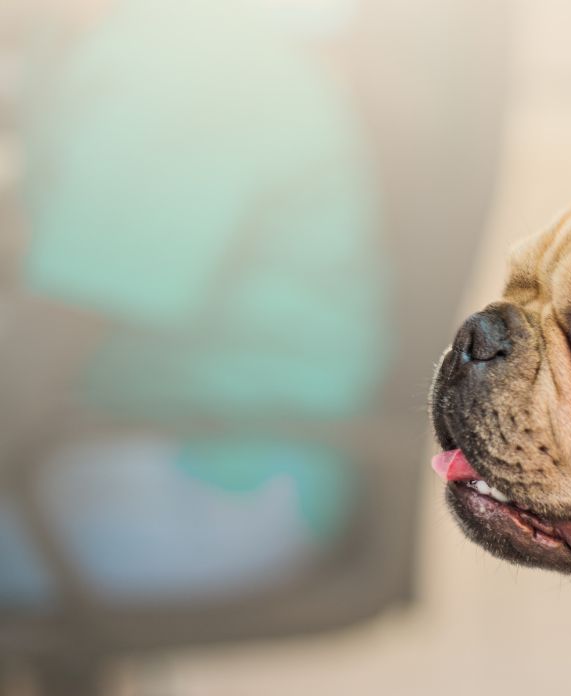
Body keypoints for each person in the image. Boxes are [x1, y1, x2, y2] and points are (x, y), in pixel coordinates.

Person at [0, 0, 387, 607]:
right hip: (137, 434)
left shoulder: (184, 62)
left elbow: (29, 371)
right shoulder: (102, 42)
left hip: (223, 478)